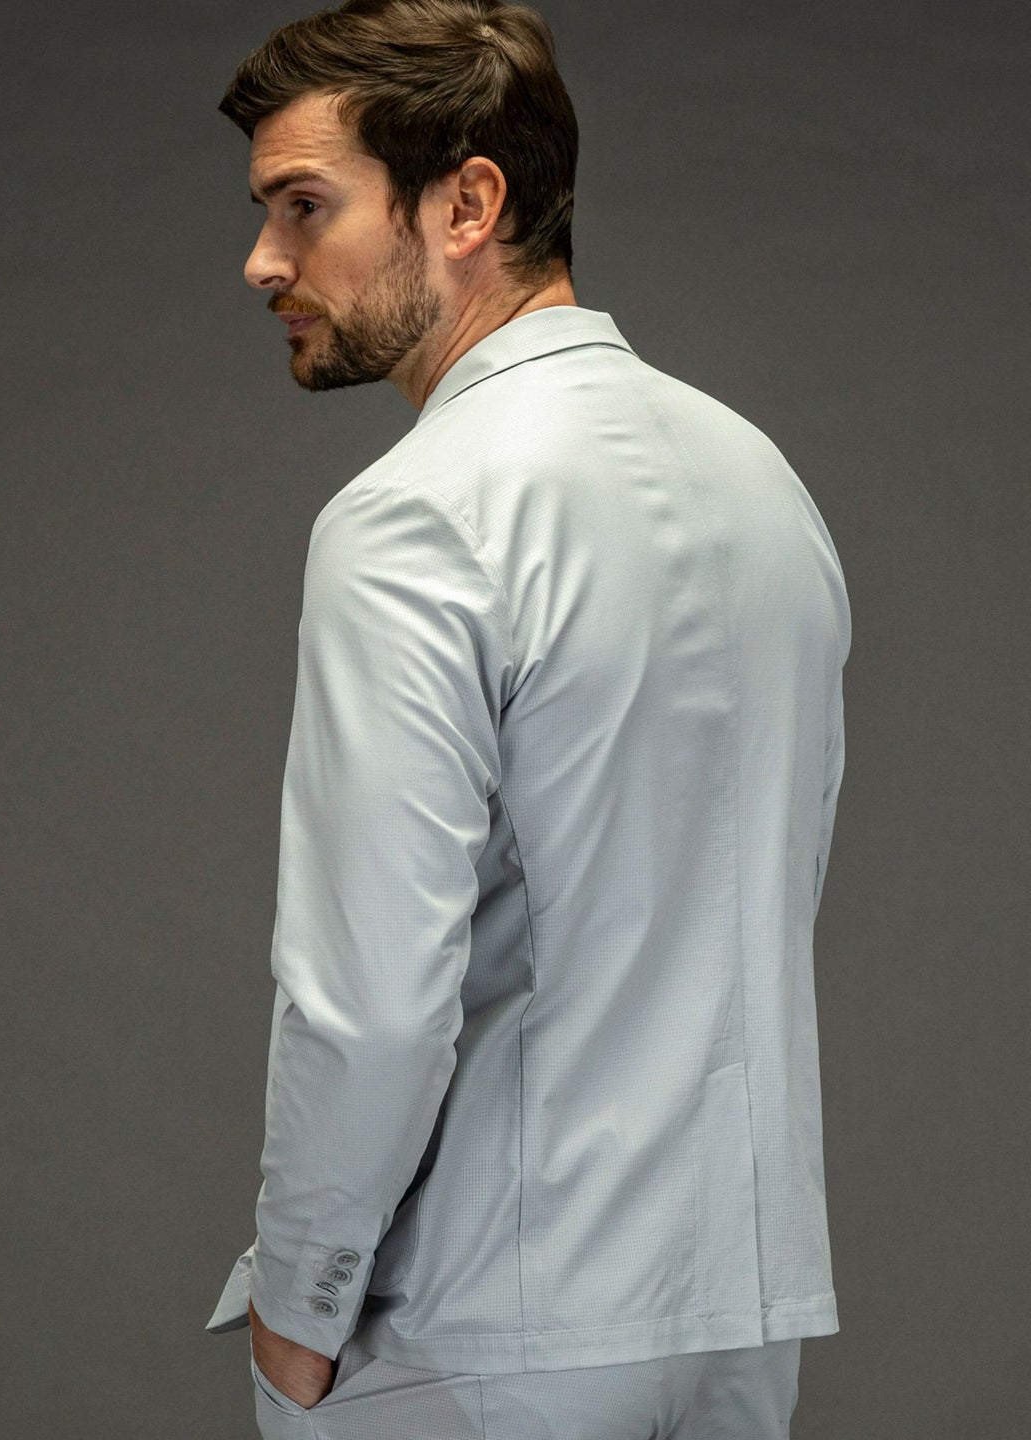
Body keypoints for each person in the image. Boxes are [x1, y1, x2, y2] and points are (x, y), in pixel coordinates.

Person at [203, 2, 851, 1436]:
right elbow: (768, 891)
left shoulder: (410, 519)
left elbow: (371, 999)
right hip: (739, 1318)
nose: (264, 261)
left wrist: (298, 1307)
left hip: (487, 1331)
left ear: (468, 203)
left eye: (305, 206)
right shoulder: (761, 481)